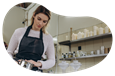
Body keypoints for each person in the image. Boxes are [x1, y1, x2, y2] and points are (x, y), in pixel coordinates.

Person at [6, 5, 55, 73]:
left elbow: (52, 60)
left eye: (44, 21)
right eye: (39, 19)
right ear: (34, 15)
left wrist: (38, 64)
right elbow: (9, 52)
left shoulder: (48, 37)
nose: (40, 23)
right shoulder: (19, 32)